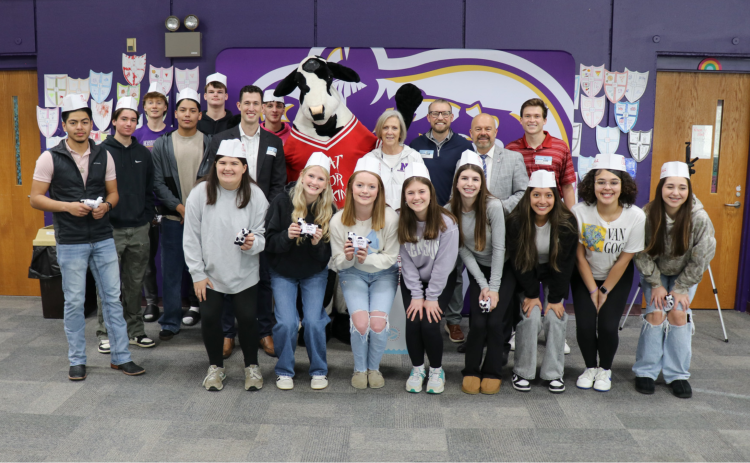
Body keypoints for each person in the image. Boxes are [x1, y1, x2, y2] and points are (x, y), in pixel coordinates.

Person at [29, 94, 145, 380]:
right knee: (74, 301)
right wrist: (67, 206)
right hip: (70, 240)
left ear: (91, 123)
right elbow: (35, 199)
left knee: (112, 299)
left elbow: (113, 193)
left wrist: (106, 205)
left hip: (104, 237)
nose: (79, 127)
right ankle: (77, 359)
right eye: (73, 122)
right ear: (64, 125)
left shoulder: (103, 154)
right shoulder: (50, 157)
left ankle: (121, 357)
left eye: (84, 121)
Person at [205, 84, 287, 358]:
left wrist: (266, 216)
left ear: (263, 108)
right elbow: (211, 177)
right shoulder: (222, 138)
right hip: (226, 220)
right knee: (227, 277)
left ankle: (264, 331)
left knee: (262, 279)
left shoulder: (274, 143)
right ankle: (228, 334)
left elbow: (278, 185)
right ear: (238, 106)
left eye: (257, 103)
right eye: (247, 103)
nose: (252, 108)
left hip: (260, 220)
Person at [183, 139, 269, 391]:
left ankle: (252, 367)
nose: (227, 168)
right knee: (209, 318)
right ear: (215, 165)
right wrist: (197, 273)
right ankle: (215, 367)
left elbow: (263, 236)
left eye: (234, 163)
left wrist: (252, 243)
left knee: (247, 319)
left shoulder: (256, 195)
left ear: (244, 167)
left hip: (244, 272)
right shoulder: (200, 193)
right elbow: (190, 237)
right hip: (209, 274)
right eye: (222, 163)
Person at [633, 162, 716, 399]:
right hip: (655, 272)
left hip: (685, 274)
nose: (675, 192)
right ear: (661, 187)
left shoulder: (698, 217)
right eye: (670, 186)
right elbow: (640, 252)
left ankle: (677, 374)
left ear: (688, 190)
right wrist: (656, 284)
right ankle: (646, 371)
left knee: (678, 314)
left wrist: (681, 288)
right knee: (656, 313)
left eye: (682, 187)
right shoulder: (647, 214)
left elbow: (702, 257)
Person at [448, 114, 529, 348]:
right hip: (471, 240)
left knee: (503, 296)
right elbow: (457, 194)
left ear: (496, 131)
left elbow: (523, 193)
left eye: (488, 129)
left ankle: (500, 341)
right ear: (471, 133)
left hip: (504, 239)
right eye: (478, 129)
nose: (483, 133)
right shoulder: (463, 160)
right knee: (476, 291)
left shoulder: (513, 158)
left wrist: (495, 209)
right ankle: (476, 338)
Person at [571, 154, 645, 392]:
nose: (607, 187)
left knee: (607, 326)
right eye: (601, 181)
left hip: (617, 277)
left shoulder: (635, 216)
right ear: (592, 184)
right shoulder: (579, 212)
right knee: (583, 325)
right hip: (585, 276)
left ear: (623, 185)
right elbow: (579, 256)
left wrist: (604, 290)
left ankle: (605, 370)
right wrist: (593, 289)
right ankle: (590, 367)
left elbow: (625, 259)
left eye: (613, 182)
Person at [265, 152, 335, 390]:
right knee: (287, 322)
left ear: (327, 184)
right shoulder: (282, 201)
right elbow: (269, 243)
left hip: (314, 272)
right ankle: (284, 370)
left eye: (321, 179)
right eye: (311, 176)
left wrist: (316, 244)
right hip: (283, 270)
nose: (315, 182)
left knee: (314, 321)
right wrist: (287, 236)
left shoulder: (329, 209)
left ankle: (319, 370)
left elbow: (327, 257)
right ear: (302, 176)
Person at [329, 157, 399, 389]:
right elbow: (338, 262)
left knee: (377, 324)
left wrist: (366, 257)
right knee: (360, 323)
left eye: (372, 186)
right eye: (360, 185)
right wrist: (349, 258)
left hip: (384, 274)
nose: (365, 191)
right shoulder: (338, 220)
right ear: (350, 188)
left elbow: (391, 257)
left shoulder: (390, 218)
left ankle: (374, 368)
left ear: (379, 191)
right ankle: (359, 369)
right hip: (353, 274)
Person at [507, 171, 578, 394]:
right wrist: (531, 294)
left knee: (555, 316)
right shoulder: (516, 221)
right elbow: (519, 262)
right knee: (530, 315)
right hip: (526, 268)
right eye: (536, 195)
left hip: (554, 269)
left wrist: (556, 299)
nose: (542, 201)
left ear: (556, 197)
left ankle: (554, 373)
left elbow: (565, 265)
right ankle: (522, 371)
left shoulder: (567, 222)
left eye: (548, 195)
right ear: (528, 196)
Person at [449, 151, 514, 395]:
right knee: (477, 322)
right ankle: (471, 371)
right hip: (479, 270)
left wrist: (494, 288)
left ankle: (493, 370)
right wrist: (483, 285)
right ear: (457, 182)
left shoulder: (493, 206)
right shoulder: (450, 210)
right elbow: (463, 251)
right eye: (464, 178)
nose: (469, 184)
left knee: (495, 321)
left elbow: (499, 249)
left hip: (504, 267)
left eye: (475, 179)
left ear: (481, 183)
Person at [95, 97, 155, 354]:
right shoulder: (100, 152)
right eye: (124, 119)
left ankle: (135, 331)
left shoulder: (143, 153)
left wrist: (147, 215)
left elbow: (150, 189)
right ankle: (106, 332)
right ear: (114, 121)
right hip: (110, 230)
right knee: (108, 284)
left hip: (140, 228)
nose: (129, 123)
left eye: (133, 119)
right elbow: (95, 188)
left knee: (135, 283)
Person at [152, 88, 212, 341]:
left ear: (200, 114)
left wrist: (196, 211)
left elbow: (212, 179)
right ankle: (170, 321)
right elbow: (158, 183)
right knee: (173, 270)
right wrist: (180, 208)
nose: (187, 115)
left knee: (208, 271)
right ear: (174, 113)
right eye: (183, 110)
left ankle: (209, 320)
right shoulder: (162, 143)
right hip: (174, 219)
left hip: (206, 220)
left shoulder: (210, 142)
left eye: (192, 110)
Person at [398, 163, 458, 394]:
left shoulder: (447, 223)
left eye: (421, 192)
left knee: (430, 325)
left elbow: (444, 266)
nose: (416, 197)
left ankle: (436, 369)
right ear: (404, 197)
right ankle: (417, 369)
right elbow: (406, 261)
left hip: (440, 281)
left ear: (431, 194)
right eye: (410, 193)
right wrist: (416, 294)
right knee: (413, 322)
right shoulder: (401, 220)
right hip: (413, 281)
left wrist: (431, 297)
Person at [134, 82, 170, 323]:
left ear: (166, 107)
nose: (154, 106)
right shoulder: (136, 135)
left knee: (174, 257)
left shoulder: (173, 134)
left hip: (169, 204)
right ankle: (151, 302)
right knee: (146, 258)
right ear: (144, 107)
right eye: (150, 102)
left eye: (159, 102)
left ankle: (181, 302)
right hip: (145, 205)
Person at [505, 99, 577, 208]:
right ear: (521, 120)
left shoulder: (560, 148)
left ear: (544, 120)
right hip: (520, 213)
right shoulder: (511, 149)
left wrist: (572, 219)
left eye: (537, 116)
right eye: (527, 116)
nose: (532, 120)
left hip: (552, 212)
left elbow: (567, 187)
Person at [409, 99, 473, 206]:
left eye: (445, 114)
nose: (440, 118)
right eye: (435, 114)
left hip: (454, 212)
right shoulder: (415, 145)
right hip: (422, 211)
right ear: (428, 117)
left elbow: (471, 182)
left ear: (451, 117)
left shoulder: (465, 147)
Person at [364, 110, 424, 209]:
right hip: (377, 218)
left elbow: (424, 191)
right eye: (385, 127)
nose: (389, 132)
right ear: (380, 131)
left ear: (400, 133)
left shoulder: (414, 157)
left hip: (407, 218)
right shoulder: (369, 159)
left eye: (395, 128)